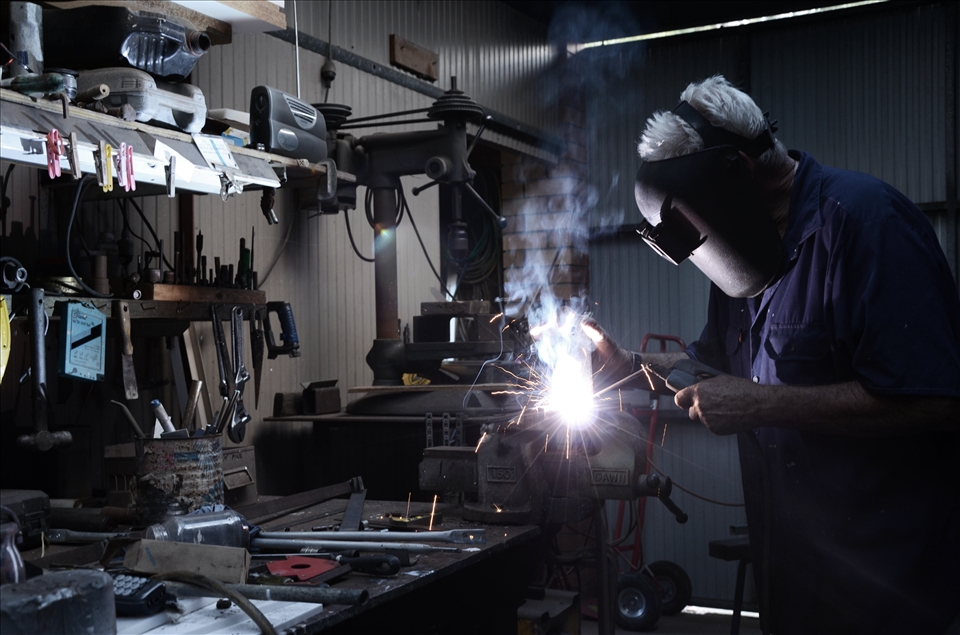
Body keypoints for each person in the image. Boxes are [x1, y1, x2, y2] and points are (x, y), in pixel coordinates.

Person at [587, 75, 960, 634]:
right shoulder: (742, 251)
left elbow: (937, 402)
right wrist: (629, 366)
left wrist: (763, 405)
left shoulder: (867, 224)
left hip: (886, 584)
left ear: (737, 169)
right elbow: (708, 367)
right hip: (792, 575)